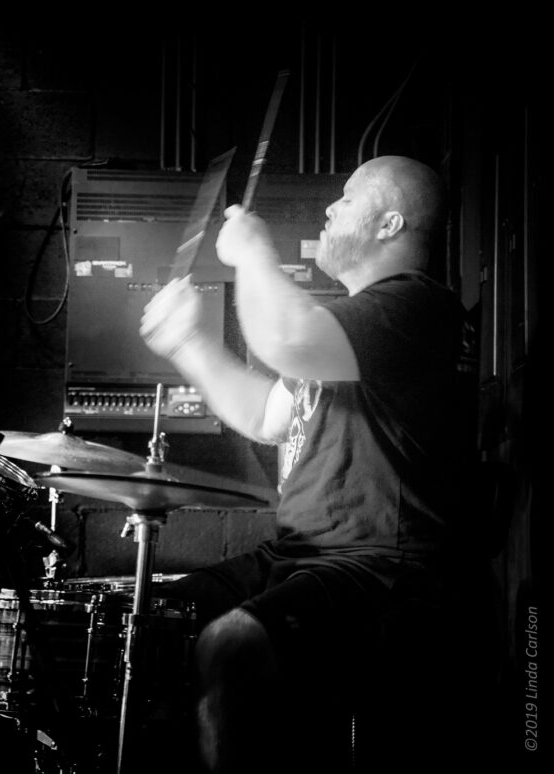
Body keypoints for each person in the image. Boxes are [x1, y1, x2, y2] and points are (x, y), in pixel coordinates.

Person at [139, 155, 479, 772]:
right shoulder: (353, 326)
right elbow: (265, 417)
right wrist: (188, 344)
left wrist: (253, 254)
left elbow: (288, 340)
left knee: (231, 645)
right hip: (300, 555)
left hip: (381, 564)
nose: (329, 208)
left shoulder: (415, 306)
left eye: (347, 197)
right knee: (157, 621)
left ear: (390, 223)